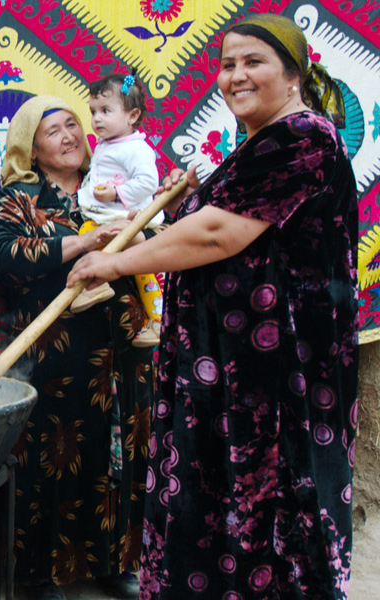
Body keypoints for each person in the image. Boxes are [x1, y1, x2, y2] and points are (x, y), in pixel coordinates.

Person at [68, 13, 357, 599]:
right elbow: (206, 230)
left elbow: (217, 235)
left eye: (254, 62)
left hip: (273, 378)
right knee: (221, 509)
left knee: (265, 515)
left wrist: (115, 264)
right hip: (228, 369)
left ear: (294, 73)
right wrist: (160, 216)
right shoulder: (257, 145)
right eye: (228, 64)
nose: (236, 76)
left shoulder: (302, 138)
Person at [0, 95, 153, 600]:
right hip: (58, 355)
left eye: (74, 125)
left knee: (122, 452)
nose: (70, 135)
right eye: (53, 130)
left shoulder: (116, 186)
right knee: (53, 459)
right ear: (31, 150)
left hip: (125, 345)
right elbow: (5, 256)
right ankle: (39, 573)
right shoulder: (20, 200)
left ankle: (114, 562)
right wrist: (82, 242)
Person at [72, 71, 163, 348]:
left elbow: (149, 182)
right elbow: (97, 175)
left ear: (132, 116)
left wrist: (117, 193)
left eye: (105, 111)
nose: (96, 118)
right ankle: (99, 286)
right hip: (111, 216)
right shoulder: (106, 144)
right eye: (93, 111)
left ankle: (158, 319)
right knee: (98, 243)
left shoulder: (136, 149)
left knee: (141, 266)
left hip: (131, 218)